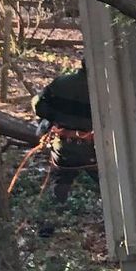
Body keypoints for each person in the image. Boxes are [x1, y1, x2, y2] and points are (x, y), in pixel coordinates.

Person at [31, 65, 94, 203]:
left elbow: (39, 106)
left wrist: (56, 118)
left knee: (62, 181)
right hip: (95, 149)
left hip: (63, 146)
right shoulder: (105, 87)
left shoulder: (61, 82)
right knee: (106, 182)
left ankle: (58, 208)